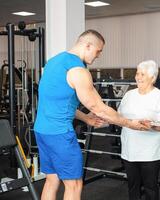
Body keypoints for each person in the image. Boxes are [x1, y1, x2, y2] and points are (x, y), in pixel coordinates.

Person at [34, 29, 149, 200]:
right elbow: (99, 108)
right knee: (74, 184)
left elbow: (58, 103)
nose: (98, 56)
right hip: (60, 134)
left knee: (52, 180)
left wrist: (85, 118)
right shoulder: (78, 70)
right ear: (87, 45)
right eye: (98, 51)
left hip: (42, 131)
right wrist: (131, 124)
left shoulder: (53, 62)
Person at [118, 60, 160, 200]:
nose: (138, 77)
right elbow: (118, 117)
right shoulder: (128, 95)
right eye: (137, 73)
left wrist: (152, 126)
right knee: (132, 186)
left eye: (143, 74)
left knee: (150, 187)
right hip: (129, 150)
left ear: (153, 78)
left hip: (150, 152)